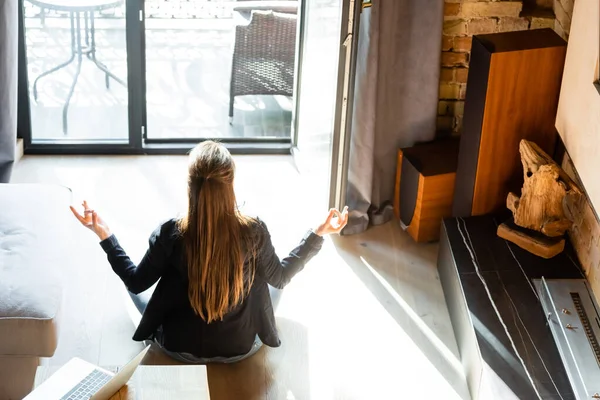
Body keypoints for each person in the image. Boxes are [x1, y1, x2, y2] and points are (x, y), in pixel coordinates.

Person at [70, 141, 348, 364]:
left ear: (190, 186)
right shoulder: (253, 231)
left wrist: (105, 236)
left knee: (131, 285)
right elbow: (281, 278)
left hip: (177, 348)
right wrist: (317, 233)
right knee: (272, 280)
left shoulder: (170, 232)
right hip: (240, 349)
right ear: (230, 185)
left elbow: (135, 282)